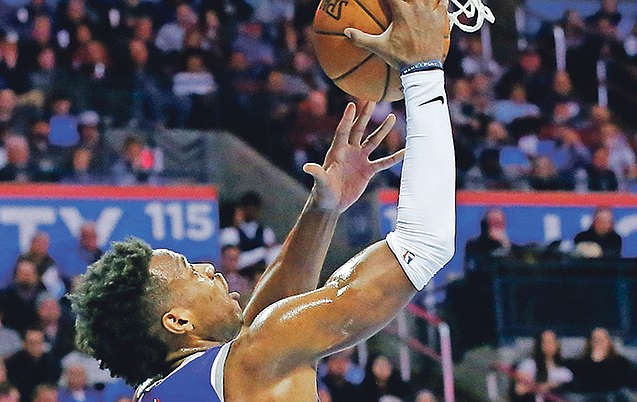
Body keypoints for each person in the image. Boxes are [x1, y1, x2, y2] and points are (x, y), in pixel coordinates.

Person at [70, 0, 456, 400]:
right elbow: (424, 244)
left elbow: (263, 321)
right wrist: (423, 71)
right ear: (178, 321)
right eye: (189, 271)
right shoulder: (255, 360)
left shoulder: (163, 391)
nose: (206, 267)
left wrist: (323, 210)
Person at [512, 330, 573, 402]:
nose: (548, 345)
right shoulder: (528, 365)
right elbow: (519, 390)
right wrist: (538, 387)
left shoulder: (565, 372)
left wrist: (554, 386)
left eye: (552, 342)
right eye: (545, 342)